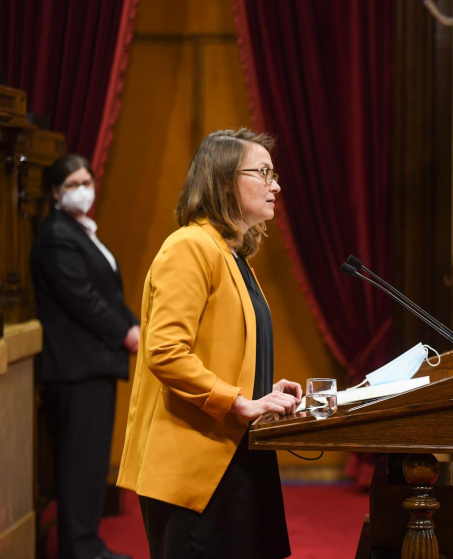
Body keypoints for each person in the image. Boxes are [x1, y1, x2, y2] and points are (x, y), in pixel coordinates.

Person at [117, 128, 301, 559]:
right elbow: (165, 352)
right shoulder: (190, 247)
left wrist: (261, 392)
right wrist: (238, 402)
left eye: (274, 174)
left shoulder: (232, 254)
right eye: (263, 173)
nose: (276, 186)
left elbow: (223, 349)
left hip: (236, 454)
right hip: (197, 467)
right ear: (224, 181)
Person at [31, 154, 139, 559]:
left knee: (92, 463)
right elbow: (84, 300)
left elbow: (107, 294)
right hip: (76, 368)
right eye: (73, 184)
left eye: (87, 182)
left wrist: (134, 324)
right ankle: (79, 549)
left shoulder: (80, 231)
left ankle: (88, 545)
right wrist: (126, 333)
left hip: (94, 364)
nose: (83, 190)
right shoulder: (57, 235)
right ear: (55, 191)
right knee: (80, 464)